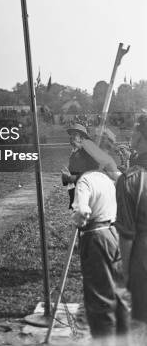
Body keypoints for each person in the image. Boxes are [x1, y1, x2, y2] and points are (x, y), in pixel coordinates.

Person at [69, 136, 128, 343]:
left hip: (96, 237)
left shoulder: (85, 180)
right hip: (114, 234)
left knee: (99, 296)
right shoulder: (106, 178)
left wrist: (77, 219)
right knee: (116, 291)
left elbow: (82, 211)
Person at [116, 114, 147, 335]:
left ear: (141, 137)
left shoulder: (129, 179)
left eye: (135, 130)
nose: (131, 134)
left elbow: (126, 235)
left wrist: (125, 272)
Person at [61, 123, 100, 207]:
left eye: (74, 135)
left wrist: (73, 178)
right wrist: (65, 178)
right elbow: (71, 177)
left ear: (82, 138)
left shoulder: (89, 151)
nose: (71, 138)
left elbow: (96, 172)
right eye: (71, 136)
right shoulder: (74, 152)